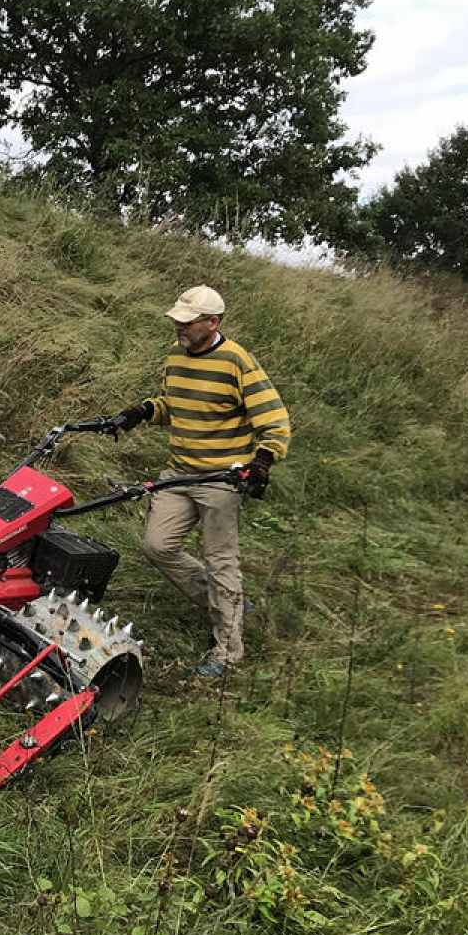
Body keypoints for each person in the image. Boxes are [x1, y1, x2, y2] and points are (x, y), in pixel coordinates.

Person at [108, 285, 289, 677]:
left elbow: (274, 418)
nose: (179, 327)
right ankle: (228, 605)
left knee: (221, 560)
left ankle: (228, 651)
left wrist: (262, 460)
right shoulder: (176, 356)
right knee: (158, 547)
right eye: (177, 320)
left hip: (221, 478)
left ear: (213, 322)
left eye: (187, 323)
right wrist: (143, 411)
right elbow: (176, 404)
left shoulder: (236, 361)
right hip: (178, 472)